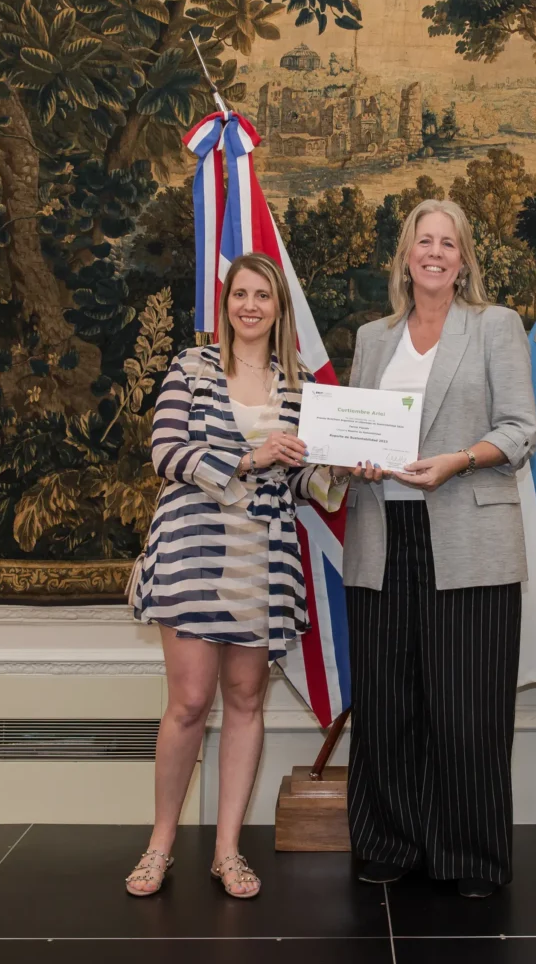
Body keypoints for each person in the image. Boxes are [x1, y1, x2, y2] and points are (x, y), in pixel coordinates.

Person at [126, 252, 349, 899]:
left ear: (279, 308)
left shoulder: (297, 387)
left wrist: (341, 469)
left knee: (247, 700)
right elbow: (166, 452)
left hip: (264, 554)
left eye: (262, 295)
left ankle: (227, 851)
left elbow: (301, 479)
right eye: (240, 294)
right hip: (191, 549)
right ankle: (159, 845)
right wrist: (249, 457)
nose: (250, 305)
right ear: (225, 305)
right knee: (190, 702)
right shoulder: (190, 366)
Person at [342, 199, 536, 899]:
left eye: (447, 243)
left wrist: (458, 460)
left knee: (467, 707)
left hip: (469, 537)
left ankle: (472, 854)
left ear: (463, 260)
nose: (433, 253)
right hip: (380, 538)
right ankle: (388, 841)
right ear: (405, 256)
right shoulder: (372, 338)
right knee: (385, 704)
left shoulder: (495, 326)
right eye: (423, 241)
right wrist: (355, 461)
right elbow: (353, 432)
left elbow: (520, 429)